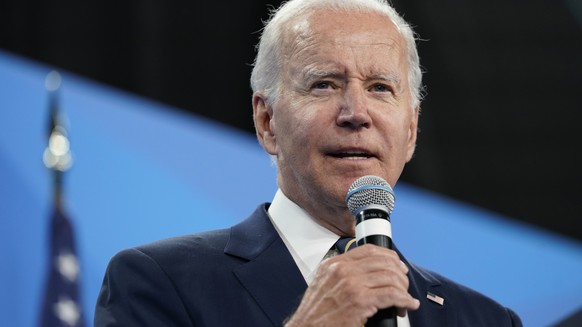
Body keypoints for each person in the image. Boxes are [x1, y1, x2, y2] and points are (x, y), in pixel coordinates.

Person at [94, 0, 523, 326]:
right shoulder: (158, 283)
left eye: (379, 87)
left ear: (410, 131)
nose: (357, 112)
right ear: (267, 122)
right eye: (323, 84)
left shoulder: (484, 319)